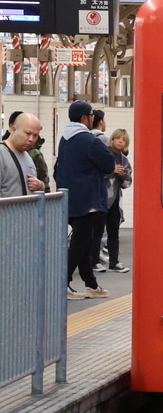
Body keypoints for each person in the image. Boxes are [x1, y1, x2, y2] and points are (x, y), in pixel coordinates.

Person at [55, 100, 115, 300]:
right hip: (87, 200)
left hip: (68, 198)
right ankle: (63, 282)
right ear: (84, 118)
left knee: (85, 242)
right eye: (91, 115)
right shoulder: (89, 140)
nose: (93, 118)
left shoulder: (65, 139)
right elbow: (108, 163)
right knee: (80, 243)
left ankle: (90, 283)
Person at [93, 128, 131, 274]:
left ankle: (114, 262)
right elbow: (97, 173)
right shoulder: (104, 154)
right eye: (118, 139)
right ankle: (95, 261)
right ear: (113, 139)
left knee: (113, 232)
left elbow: (127, 183)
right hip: (101, 197)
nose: (120, 142)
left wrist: (122, 175)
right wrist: (112, 171)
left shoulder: (124, 159)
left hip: (115, 199)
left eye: (123, 140)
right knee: (97, 231)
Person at [0, 112, 45, 197]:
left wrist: (40, 186)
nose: (31, 139)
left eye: (35, 135)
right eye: (27, 133)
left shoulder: (28, 157)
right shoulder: (2, 155)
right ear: (13, 129)